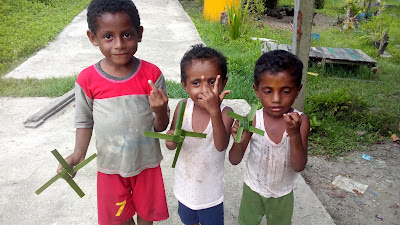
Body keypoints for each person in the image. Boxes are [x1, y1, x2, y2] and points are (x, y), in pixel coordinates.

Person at [57, 0, 169, 224]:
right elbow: (84, 122)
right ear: (93, 38)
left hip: (146, 163)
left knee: (147, 217)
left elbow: (160, 127)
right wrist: (77, 154)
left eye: (127, 35)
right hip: (110, 167)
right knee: (118, 218)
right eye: (108, 36)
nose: (119, 44)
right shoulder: (87, 80)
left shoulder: (152, 74)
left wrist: (160, 111)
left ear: (139, 33)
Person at [229, 50, 310, 225]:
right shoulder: (253, 119)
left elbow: (298, 166)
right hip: (253, 188)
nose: (276, 99)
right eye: (268, 91)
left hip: (282, 193)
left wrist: (294, 134)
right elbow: (234, 160)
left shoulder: (300, 122)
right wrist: (239, 141)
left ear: (298, 90)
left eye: (286, 91)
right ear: (256, 90)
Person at [165, 44, 234, 225]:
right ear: (185, 86)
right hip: (185, 188)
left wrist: (214, 112)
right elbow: (171, 144)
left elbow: (221, 145)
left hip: (210, 194)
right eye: (196, 83)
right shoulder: (182, 107)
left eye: (212, 82)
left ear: (224, 83)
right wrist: (171, 139)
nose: (204, 90)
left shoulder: (226, 113)